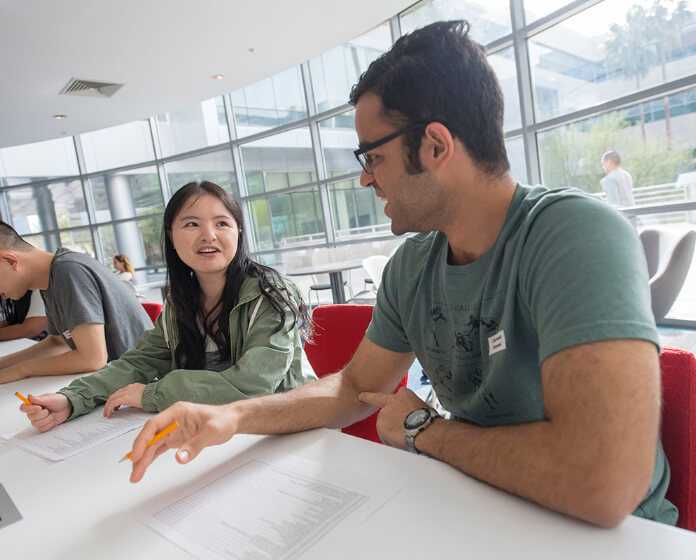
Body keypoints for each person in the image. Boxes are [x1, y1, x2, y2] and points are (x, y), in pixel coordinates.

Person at [124, 21, 674, 528]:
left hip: (618, 538)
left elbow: (601, 484)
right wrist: (232, 417)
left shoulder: (574, 235)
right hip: (487, 507)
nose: (366, 180)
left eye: (372, 156)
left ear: (434, 145)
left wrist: (425, 431)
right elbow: (352, 389)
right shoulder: (413, 266)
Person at [20, 181, 310, 430]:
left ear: (239, 232)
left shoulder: (270, 293)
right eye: (191, 224)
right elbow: (140, 362)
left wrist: (153, 393)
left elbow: (253, 386)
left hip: (285, 429)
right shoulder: (181, 301)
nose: (208, 234)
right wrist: (72, 399)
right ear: (171, 236)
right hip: (216, 431)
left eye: (222, 223)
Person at [0, 222, 152, 384]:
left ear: (10, 261)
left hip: (147, 384)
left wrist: (21, 370)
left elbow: (92, 358)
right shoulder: (51, 279)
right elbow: (58, 343)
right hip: (124, 379)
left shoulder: (68, 271)